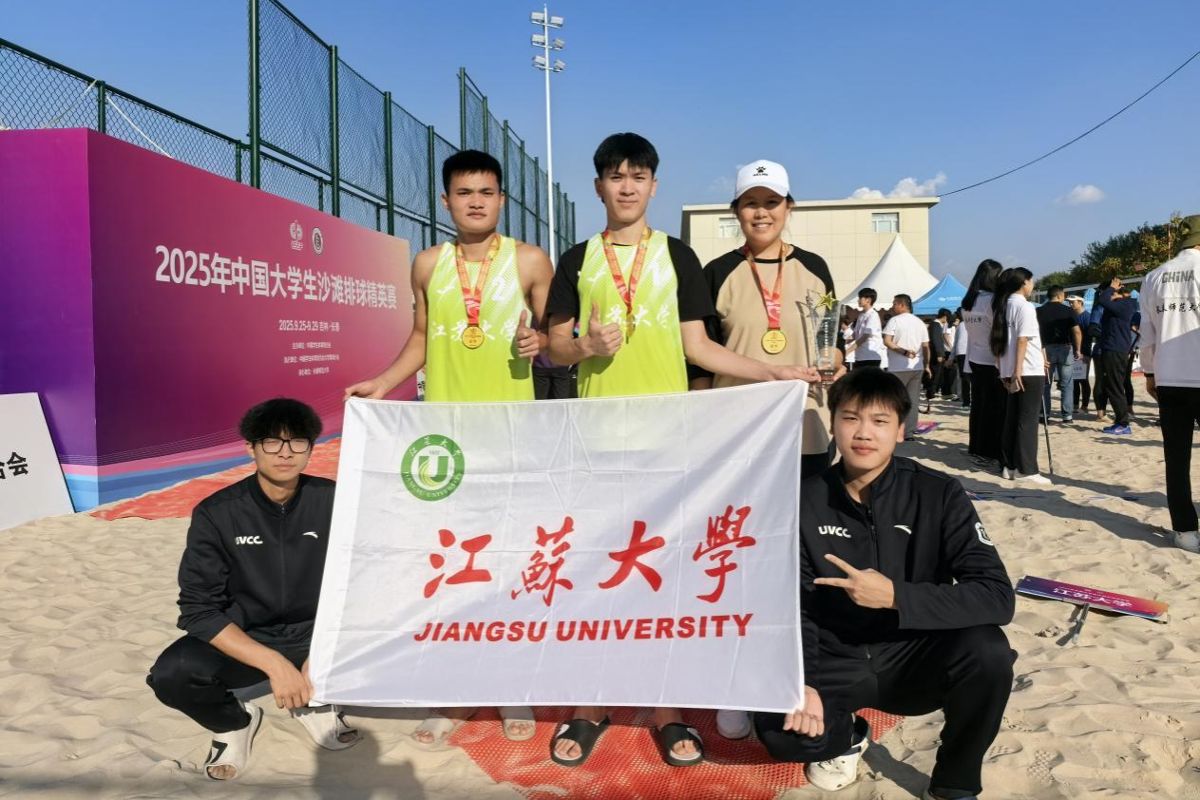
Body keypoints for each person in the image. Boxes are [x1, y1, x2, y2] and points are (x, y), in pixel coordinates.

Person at [544, 133, 815, 768]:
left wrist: (772, 372)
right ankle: (592, 701)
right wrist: (587, 348)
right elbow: (554, 346)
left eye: (638, 176)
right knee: (598, 571)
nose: (627, 186)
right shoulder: (578, 259)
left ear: (654, 186)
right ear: (599, 187)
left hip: (669, 444)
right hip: (600, 441)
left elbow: (699, 347)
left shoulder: (678, 256)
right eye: (616, 176)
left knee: (662, 575)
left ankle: (666, 707)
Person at [344, 149, 549, 743]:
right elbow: (420, 338)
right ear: (446, 200)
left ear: (502, 198)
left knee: (508, 567)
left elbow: (556, 337)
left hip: (512, 439)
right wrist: (383, 383)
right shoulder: (428, 264)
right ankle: (455, 692)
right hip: (446, 445)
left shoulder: (531, 261)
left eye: (486, 191)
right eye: (464, 192)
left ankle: (512, 690)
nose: (476, 201)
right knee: (452, 568)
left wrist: (539, 342)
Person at [754, 368, 1016, 799]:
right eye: (850, 418)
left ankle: (955, 781)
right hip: (835, 655)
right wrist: (803, 681)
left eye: (879, 421)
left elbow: (997, 597)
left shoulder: (938, 493)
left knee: (989, 653)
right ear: (833, 424)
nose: (863, 433)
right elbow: (792, 604)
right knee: (782, 733)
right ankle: (848, 735)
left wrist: (896, 596)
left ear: (900, 430)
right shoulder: (803, 499)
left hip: (914, 652)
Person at [146, 399, 362, 780]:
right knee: (173, 674)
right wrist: (274, 664)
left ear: (311, 448)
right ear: (251, 447)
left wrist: (323, 650)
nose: (285, 453)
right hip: (249, 635)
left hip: (318, 632)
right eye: (272, 442)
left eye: (297, 442)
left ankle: (315, 704)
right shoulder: (217, 513)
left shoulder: (336, 500)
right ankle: (233, 723)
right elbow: (198, 608)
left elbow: (362, 579)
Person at [691, 158, 843, 479]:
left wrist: (832, 361)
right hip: (736, 430)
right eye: (750, 203)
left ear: (789, 207)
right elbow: (700, 362)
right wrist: (704, 424)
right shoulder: (717, 273)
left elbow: (831, 340)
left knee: (807, 507)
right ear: (736, 211)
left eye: (772, 202)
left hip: (806, 425)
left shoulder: (815, 268)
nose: (761, 213)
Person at [1139, 214, 1200, 552]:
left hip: (1170, 377)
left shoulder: (1154, 276)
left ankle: (1185, 530)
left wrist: (1150, 373)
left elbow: (1147, 334)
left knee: (1176, 457)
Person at [992, 268, 1050, 484]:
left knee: (1012, 419)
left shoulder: (1003, 305)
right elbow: (1022, 339)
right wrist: (1018, 371)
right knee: (1027, 420)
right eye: (1031, 281)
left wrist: (1004, 370)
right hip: (1026, 370)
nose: (1032, 285)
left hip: (1011, 369)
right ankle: (1027, 469)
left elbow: (998, 342)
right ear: (1024, 282)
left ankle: (1009, 466)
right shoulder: (1024, 306)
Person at [962, 259, 1005, 468]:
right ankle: (988, 450)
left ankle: (976, 447)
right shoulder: (992, 301)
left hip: (975, 358)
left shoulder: (968, 300)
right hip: (991, 359)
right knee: (992, 407)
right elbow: (997, 331)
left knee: (978, 406)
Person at [1095, 276, 1139, 435]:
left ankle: (1123, 423)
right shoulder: (1119, 305)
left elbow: (1102, 300)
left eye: (1107, 291)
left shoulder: (1124, 304)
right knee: (1112, 386)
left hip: (1116, 350)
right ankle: (1120, 421)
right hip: (1112, 349)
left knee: (1115, 387)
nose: (1105, 294)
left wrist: (1112, 287)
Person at [882, 294, 930, 439]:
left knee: (894, 399)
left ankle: (893, 429)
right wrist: (926, 365)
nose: (892, 307)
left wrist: (903, 351)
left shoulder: (894, 320)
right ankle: (908, 432)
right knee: (913, 400)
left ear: (902, 305)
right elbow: (926, 347)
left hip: (898, 366)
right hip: (916, 367)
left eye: (894, 304)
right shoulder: (920, 323)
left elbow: (887, 341)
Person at [1036, 286, 1082, 423]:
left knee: (1045, 384)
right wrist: (1078, 349)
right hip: (1065, 348)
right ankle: (1067, 416)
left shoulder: (1038, 311)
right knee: (1067, 383)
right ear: (1059, 296)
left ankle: (1044, 414)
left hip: (1045, 349)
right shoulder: (1068, 311)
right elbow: (1077, 331)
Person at [851, 288, 886, 369]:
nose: (858, 300)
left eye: (860, 298)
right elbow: (855, 335)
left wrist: (849, 350)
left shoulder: (873, 315)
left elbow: (865, 337)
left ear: (868, 300)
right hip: (860, 356)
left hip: (870, 357)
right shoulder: (861, 315)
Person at [1069, 295, 1092, 415]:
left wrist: (1082, 352)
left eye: (1073, 302)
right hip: (1072, 352)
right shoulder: (1071, 315)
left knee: (1083, 379)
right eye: (1069, 302)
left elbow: (1089, 335)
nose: (1070, 304)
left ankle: (1085, 406)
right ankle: (1075, 405)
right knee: (1074, 380)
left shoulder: (1087, 317)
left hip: (1084, 352)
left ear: (1080, 302)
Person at [923, 308, 950, 407]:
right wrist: (939, 354)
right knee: (935, 374)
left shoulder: (934, 325)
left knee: (936, 374)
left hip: (934, 353)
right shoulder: (936, 325)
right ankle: (931, 393)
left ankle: (932, 392)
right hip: (936, 354)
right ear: (945, 317)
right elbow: (936, 340)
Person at [951, 308, 971, 408]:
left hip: (961, 353)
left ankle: (966, 401)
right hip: (971, 352)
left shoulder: (960, 326)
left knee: (964, 378)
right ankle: (968, 401)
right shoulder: (970, 323)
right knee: (971, 378)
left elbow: (956, 343)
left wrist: (951, 357)